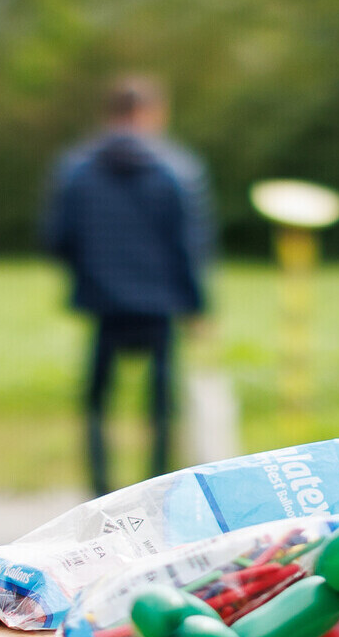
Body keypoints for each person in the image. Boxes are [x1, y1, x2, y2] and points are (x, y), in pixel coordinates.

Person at [41, 75, 212, 495]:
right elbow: (190, 245)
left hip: (103, 302)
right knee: (161, 406)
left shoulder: (77, 169)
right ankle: (158, 489)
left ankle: (99, 488)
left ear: (108, 113)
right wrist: (198, 306)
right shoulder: (177, 169)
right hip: (161, 304)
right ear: (152, 112)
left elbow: (56, 239)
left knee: (97, 403)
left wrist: (90, 275)